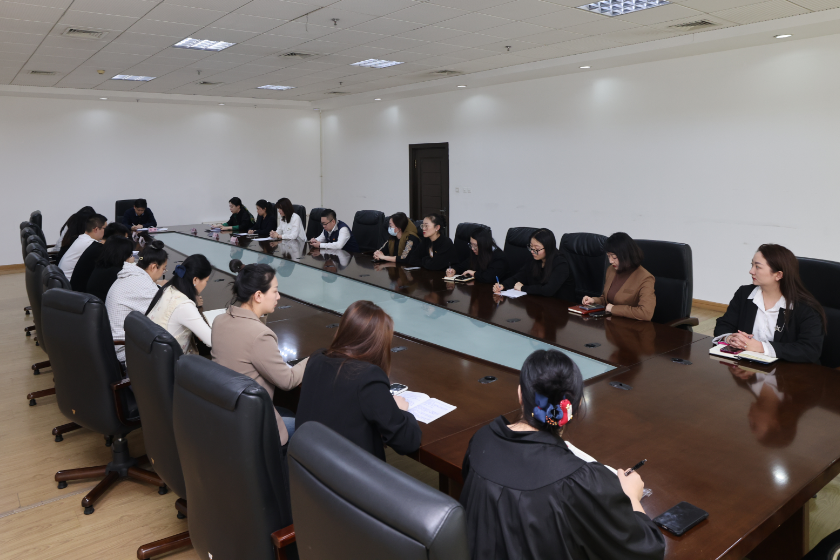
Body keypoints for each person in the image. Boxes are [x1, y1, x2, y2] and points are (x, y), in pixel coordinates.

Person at [459, 349, 665, 560]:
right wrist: (632, 498)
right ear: (575, 407)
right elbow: (648, 551)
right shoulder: (579, 482)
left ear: (520, 395)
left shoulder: (481, 440)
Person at [296, 301, 421, 460]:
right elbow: (407, 442)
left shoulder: (316, 359)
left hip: (307, 462)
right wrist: (401, 410)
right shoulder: (368, 376)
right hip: (347, 470)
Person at [212, 261, 307, 445]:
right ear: (258, 295)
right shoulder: (260, 336)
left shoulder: (219, 320)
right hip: (257, 427)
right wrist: (312, 359)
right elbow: (287, 381)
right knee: (307, 428)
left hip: (229, 416)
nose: (278, 296)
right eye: (275, 291)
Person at [714, 244, 826, 363]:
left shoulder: (805, 307)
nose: (751, 271)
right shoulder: (744, 293)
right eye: (752, 265)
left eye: (758, 267)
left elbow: (810, 350)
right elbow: (724, 324)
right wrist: (730, 338)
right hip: (747, 367)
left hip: (789, 370)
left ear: (778, 275)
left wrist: (761, 347)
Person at [105, 240, 168, 362]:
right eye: (164, 269)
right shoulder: (143, 285)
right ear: (153, 266)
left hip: (113, 344)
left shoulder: (132, 274)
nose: (162, 273)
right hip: (124, 350)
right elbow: (167, 308)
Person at [146, 254, 214, 355]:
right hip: (169, 361)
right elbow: (211, 340)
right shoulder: (184, 305)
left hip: (152, 355)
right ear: (195, 280)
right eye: (206, 281)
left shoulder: (168, 288)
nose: (206, 285)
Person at [582, 232, 655, 321]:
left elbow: (646, 313)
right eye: (608, 256)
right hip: (611, 323)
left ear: (626, 255)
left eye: (614, 257)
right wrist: (593, 301)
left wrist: (614, 309)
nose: (610, 261)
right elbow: (607, 300)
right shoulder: (611, 270)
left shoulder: (645, 278)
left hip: (632, 327)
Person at [493, 228, 575, 299]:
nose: (532, 251)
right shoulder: (533, 258)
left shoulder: (561, 264)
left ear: (548, 248)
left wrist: (523, 288)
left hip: (559, 305)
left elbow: (548, 290)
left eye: (537, 249)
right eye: (531, 247)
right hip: (539, 302)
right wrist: (503, 285)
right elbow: (520, 277)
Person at [70, 222, 130, 293]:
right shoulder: (101, 252)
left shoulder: (97, 246)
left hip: (80, 292)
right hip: (84, 294)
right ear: (116, 240)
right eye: (125, 240)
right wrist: (128, 262)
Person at [58, 213, 108, 281]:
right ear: (96, 229)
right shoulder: (89, 243)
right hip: (69, 283)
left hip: (63, 280)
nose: (106, 232)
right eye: (105, 228)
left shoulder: (82, 238)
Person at [86, 236, 134, 302]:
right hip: (105, 306)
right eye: (130, 254)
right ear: (123, 254)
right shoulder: (116, 273)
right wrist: (128, 264)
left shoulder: (101, 266)